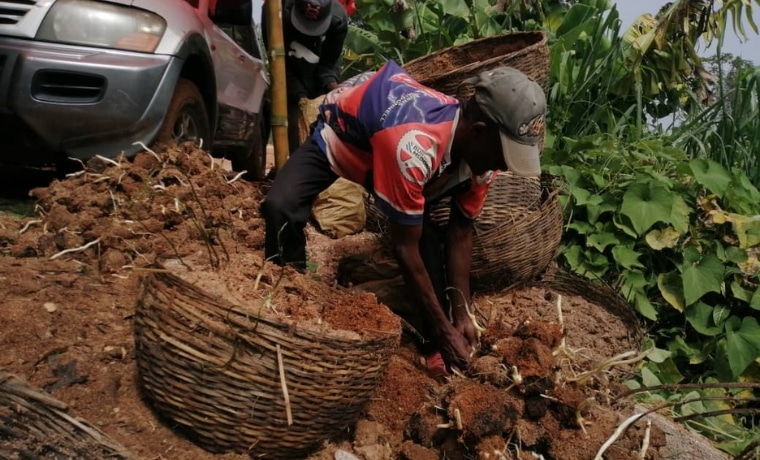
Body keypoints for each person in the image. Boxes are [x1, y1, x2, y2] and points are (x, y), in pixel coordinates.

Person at [260, 61, 547, 372]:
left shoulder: (482, 161)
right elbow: (404, 248)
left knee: (427, 235)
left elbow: (461, 233)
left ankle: (433, 340)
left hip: (403, 154)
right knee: (280, 206)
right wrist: (443, 331)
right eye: (503, 155)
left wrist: (463, 315)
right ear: (478, 132)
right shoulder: (413, 147)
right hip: (344, 131)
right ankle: (288, 285)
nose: (503, 167)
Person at [261, 0, 349, 154]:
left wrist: (332, 86)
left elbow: (328, 62)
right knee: (294, 124)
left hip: (318, 72)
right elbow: (278, 60)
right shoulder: (275, 12)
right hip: (288, 70)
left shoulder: (338, 20)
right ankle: (288, 167)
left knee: (325, 128)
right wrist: (299, 95)